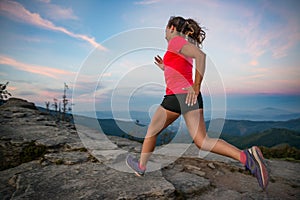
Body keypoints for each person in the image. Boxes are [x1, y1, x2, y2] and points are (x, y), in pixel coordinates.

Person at [126, 16, 269, 190]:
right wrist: (165, 67)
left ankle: (140, 167)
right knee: (202, 141)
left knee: (151, 131)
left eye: (165, 28)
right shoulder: (181, 45)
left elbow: (201, 56)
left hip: (176, 97)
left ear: (171, 28)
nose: (164, 32)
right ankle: (247, 157)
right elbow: (181, 69)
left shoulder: (176, 41)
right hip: (189, 98)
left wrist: (196, 85)